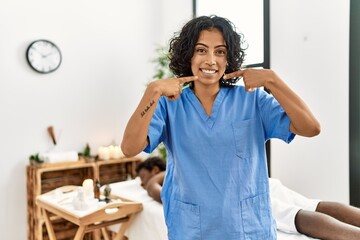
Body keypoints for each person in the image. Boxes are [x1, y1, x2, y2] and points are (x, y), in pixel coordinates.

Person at [121, 15, 320, 240]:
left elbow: (310, 127)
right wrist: (153, 91)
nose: (211, 60)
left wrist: (272, 80)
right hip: (190, 228)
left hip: (248, 228)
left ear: (228, 58)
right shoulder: (170, 106)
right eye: (201, 50)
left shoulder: (252, 100)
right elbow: (129, 147)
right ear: (188, 55)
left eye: (220, 52)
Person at [137, 157, 360, 240]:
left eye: (142, 177)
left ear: (155, 167)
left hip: (241, 192)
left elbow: (156, 191)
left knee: (296, 217)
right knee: (315, 205)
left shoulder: (174, 170)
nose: (141, 183)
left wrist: (152, 180)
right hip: (259, 181)